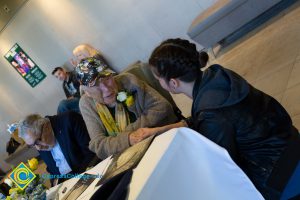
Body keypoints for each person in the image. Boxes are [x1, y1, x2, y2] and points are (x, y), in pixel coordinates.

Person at [145, 38, 300, 199]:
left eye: (158, 79)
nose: (159, 83)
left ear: (173, 83)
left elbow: (224, 167)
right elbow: (213, 117)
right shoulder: (216, 76)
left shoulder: (211, 112)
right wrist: (161, 129)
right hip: (289, 142)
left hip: (278, 175)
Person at [75, 57, 178, 160]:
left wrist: (126, 135)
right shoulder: (86, 104)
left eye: (107, 78)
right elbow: (98, 145)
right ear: (87, 91)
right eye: (96, 84)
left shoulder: (129, 81)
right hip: (128, 158)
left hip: (161, 140)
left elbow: (162, 107)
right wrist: (128, 139)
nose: (106, 88)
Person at [18, 112, 97, 184]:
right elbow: (52, 171)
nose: (38, 148)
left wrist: (77, 181)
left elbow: (91, 153)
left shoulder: (69, 120)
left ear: (46, 127)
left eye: (37, 141)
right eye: (32, 145)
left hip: (90, 174)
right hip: (68, 184)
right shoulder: (40, 142)